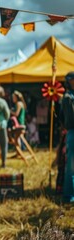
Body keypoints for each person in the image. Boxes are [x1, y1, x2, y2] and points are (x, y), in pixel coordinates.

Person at [60, 71, 74, 203]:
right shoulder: (68, 97)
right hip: (73, 132)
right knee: (71, 166)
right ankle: (69, 196)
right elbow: (69, 119)